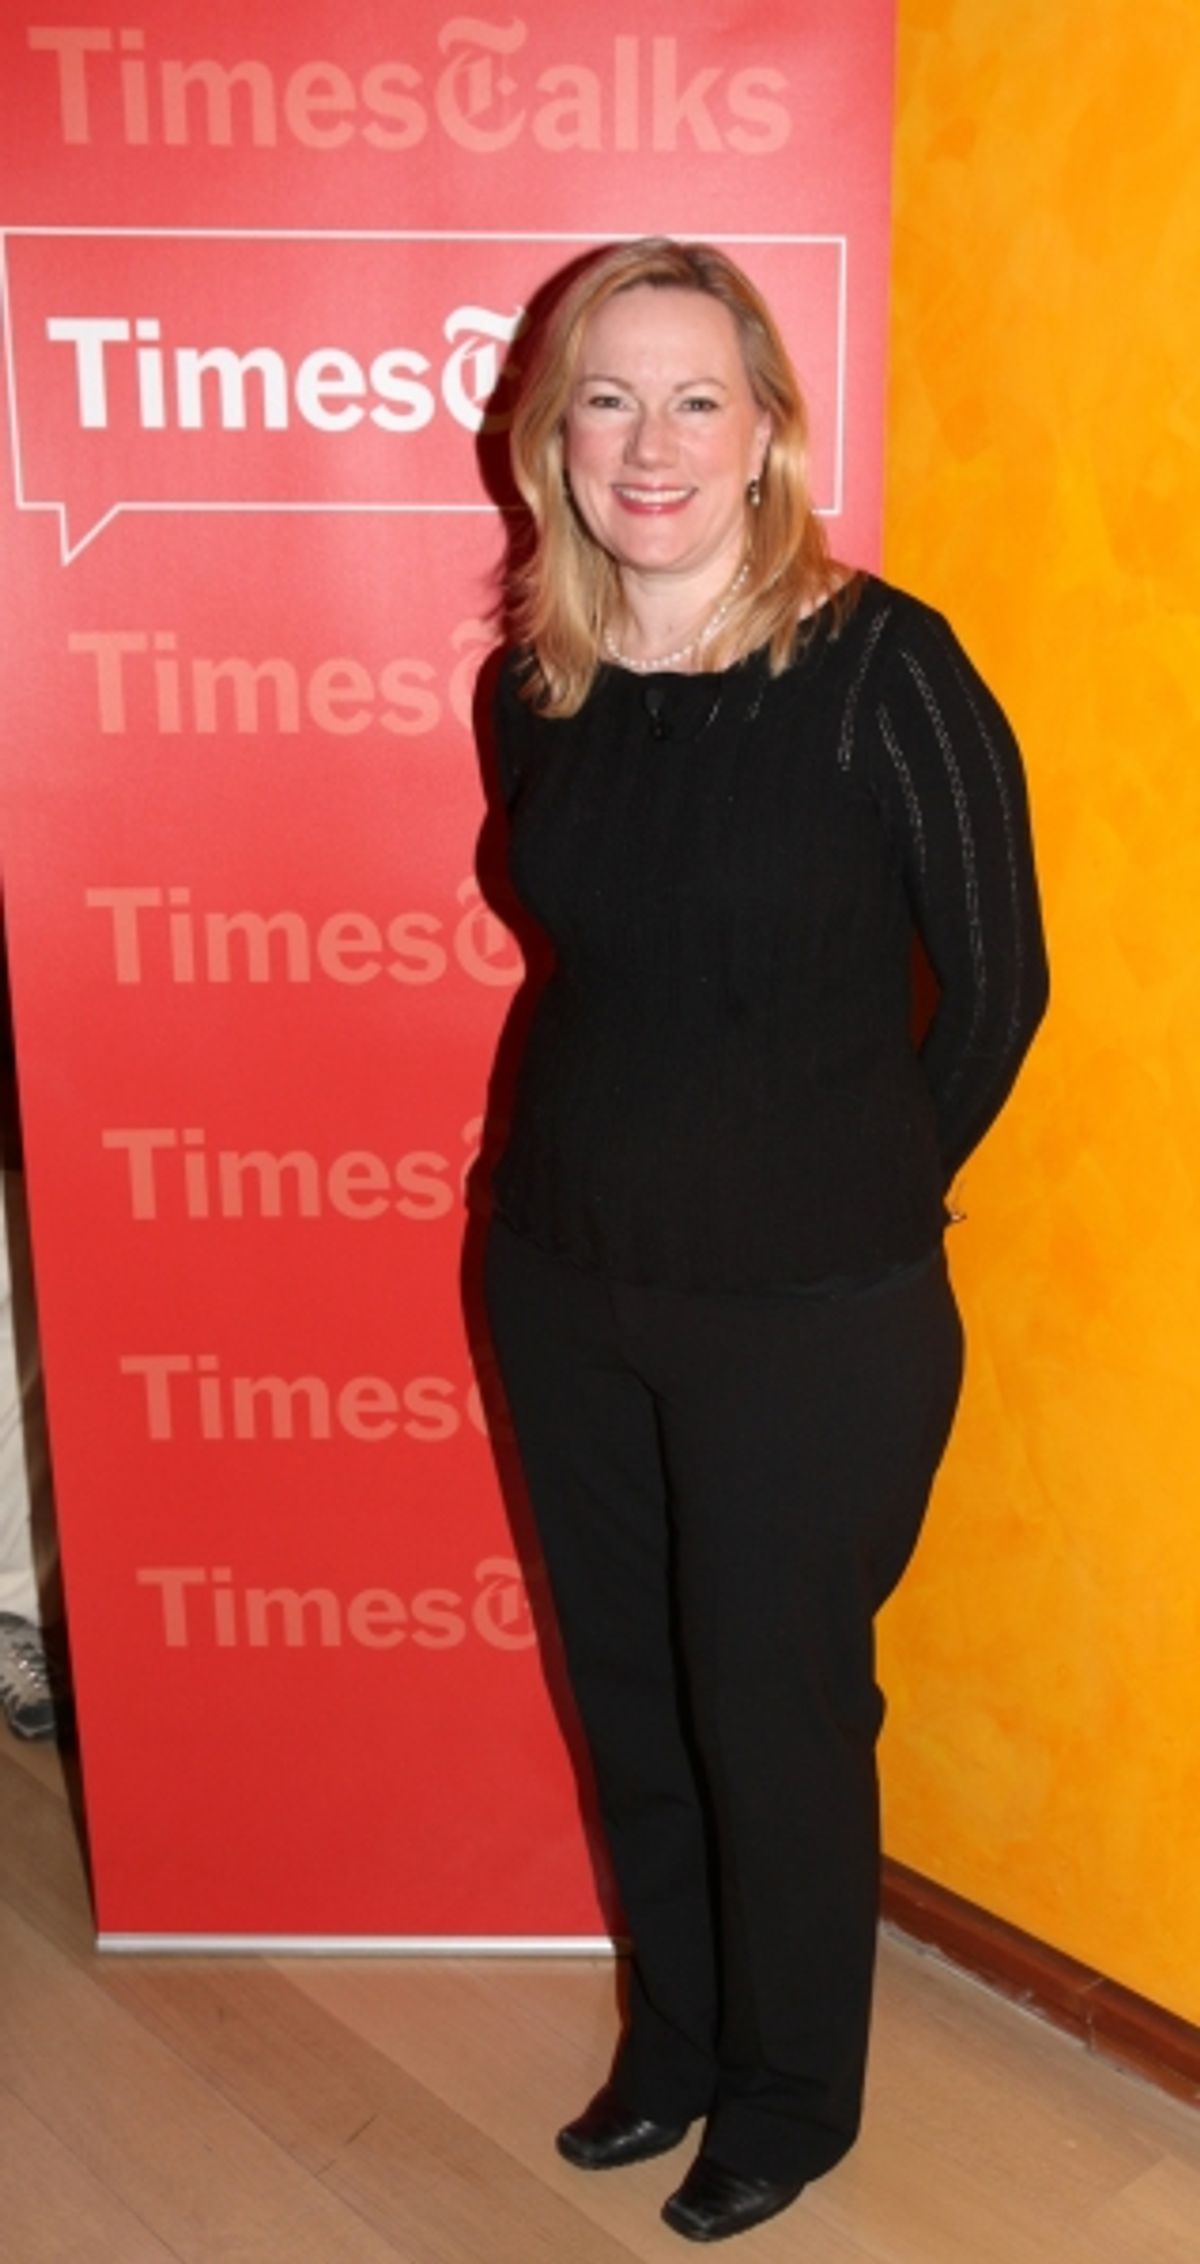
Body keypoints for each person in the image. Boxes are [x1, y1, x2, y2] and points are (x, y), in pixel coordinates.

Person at [481, 237, 1048, 2244]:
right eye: (607, 398)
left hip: (811, 1315)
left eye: (695, 396)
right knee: (631, 1686)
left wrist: (853, 1191)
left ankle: (793, 2093)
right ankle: (681, 2042)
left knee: (772, 1701)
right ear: (553, 440)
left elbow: (997, 988)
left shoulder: (887, 666)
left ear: (770, 432)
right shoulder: (534, 678)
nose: (651, 440)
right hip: (558, 1272)